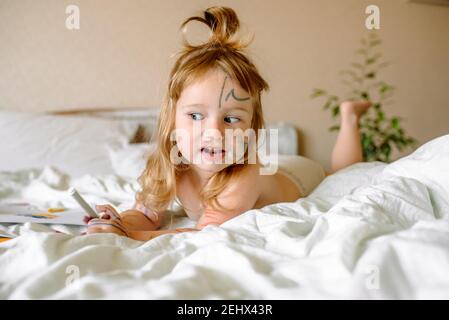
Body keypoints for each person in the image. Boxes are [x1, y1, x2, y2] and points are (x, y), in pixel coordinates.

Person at [86, 6, 371, 241]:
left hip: (296, 175)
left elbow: (205, 233)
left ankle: (349, 117)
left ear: (251, 129)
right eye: (196, 116)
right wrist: (119, 222)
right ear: (172, 120)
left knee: (339, 176)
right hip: (275, 169)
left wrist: (132, 236)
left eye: (232, 119)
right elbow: (147, 215)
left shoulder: (243, 174)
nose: (214, 133)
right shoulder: (168, 164)